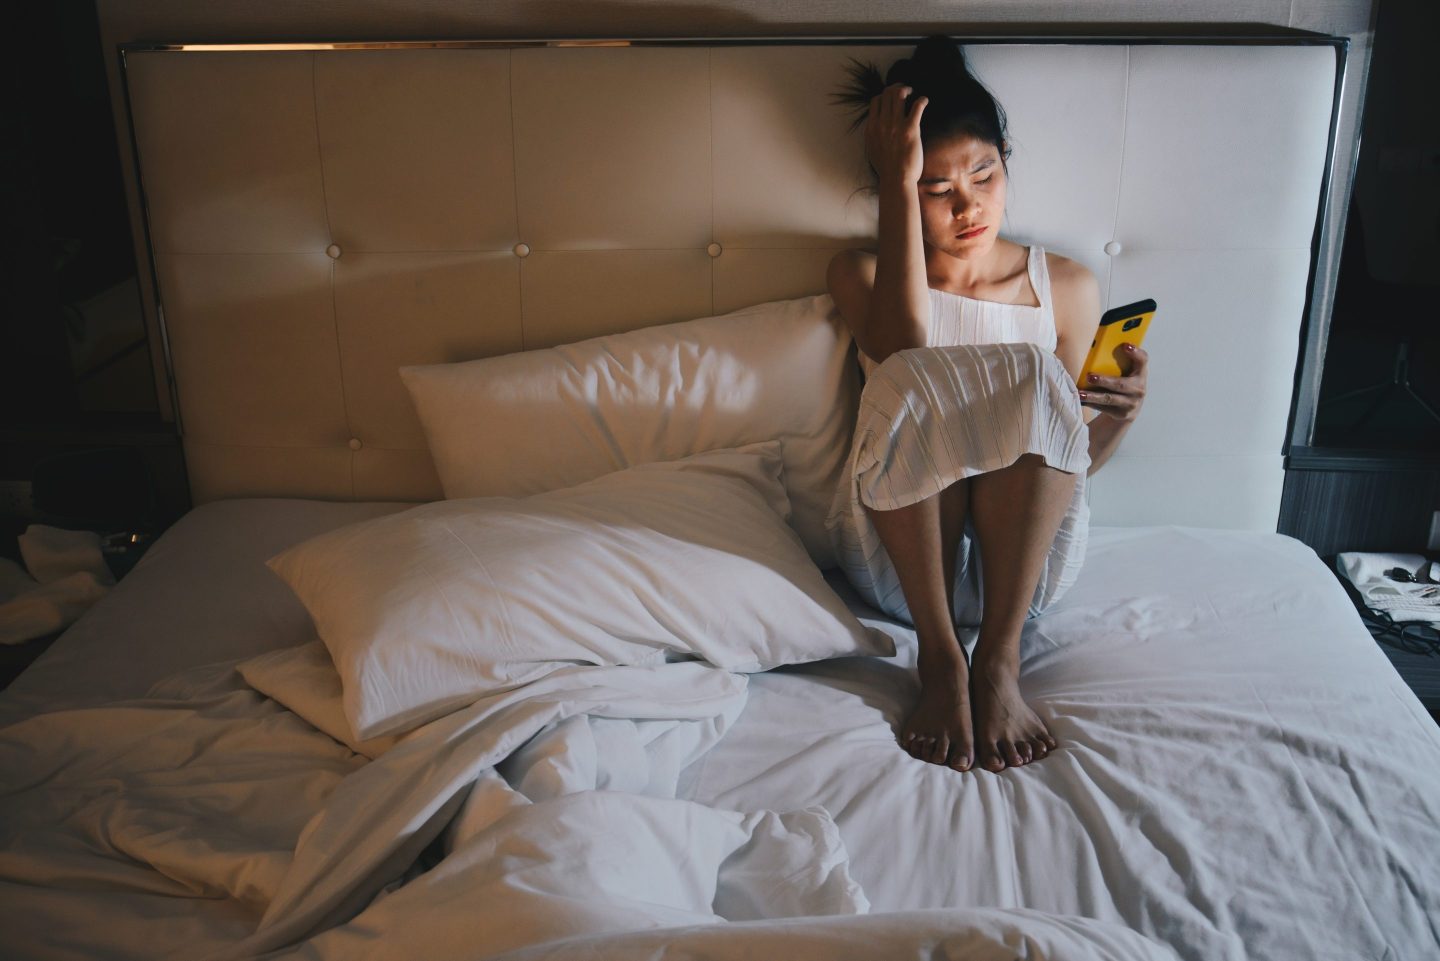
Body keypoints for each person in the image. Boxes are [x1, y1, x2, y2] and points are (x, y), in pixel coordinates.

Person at [825, 36, 1149, 774]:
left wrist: (1120, 417)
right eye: (936, 189)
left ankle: (997, 661)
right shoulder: (862, 273)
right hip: (905, 567)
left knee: (1036, 382)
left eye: (984, 174)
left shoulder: (1064, 285)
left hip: (1023, 572)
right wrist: (897, 178)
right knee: (914, 378)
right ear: (897, 190)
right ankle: (943, 662)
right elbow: (904, 352)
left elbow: (1066, 466)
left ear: (1007, 159)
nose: (968, 206)